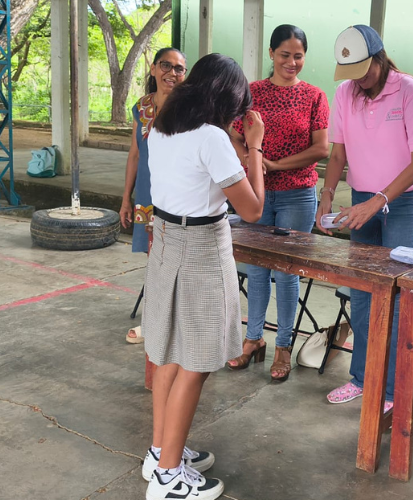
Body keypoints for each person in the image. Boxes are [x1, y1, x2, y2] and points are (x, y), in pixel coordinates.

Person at [141, 53, 266, 500]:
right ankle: (168, 480)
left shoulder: (160, 127)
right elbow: (252, 210)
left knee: (170, 355)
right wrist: (254, 144)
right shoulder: (211, 136)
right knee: (195, 364)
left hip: (166, 239)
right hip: (201, 250)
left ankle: (161, 454)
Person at [315, 25, 413, 412]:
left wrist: (379, 200)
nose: (359, 81)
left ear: (380, 59)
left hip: (401, 202)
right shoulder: (345, 93)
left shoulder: (408, 90)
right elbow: (337, 156)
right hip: (361, 200)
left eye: (365, 71)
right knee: (363, 294)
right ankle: (362, 378)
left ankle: (391, 391)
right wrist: (327, 197)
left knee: (395, 297)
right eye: (351, 74)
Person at [226, 24, 330, 381]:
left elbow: (321, 148)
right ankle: (253, 339)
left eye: (298, 56)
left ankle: (284, 344)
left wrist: (274, 164)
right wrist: (250, 159)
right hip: (257, 192)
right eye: (285, 55)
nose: (292, 62)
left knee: (287, 273)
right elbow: (234, 134)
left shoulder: (315, 96)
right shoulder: (252, 93)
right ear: (271, 54)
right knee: (256, 270)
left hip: (297, 192)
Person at [119, 47, 187, 344]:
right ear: (153, 69)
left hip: (178, 196)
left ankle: (170, 322)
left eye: (179, 68)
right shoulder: (142, 106)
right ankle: (155, 320)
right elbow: (135, 154)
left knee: (177, 261)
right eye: (165, 65)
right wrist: (126, 198)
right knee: (154, 260)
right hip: (146, 196)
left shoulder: (189, 108)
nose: (172, 73)